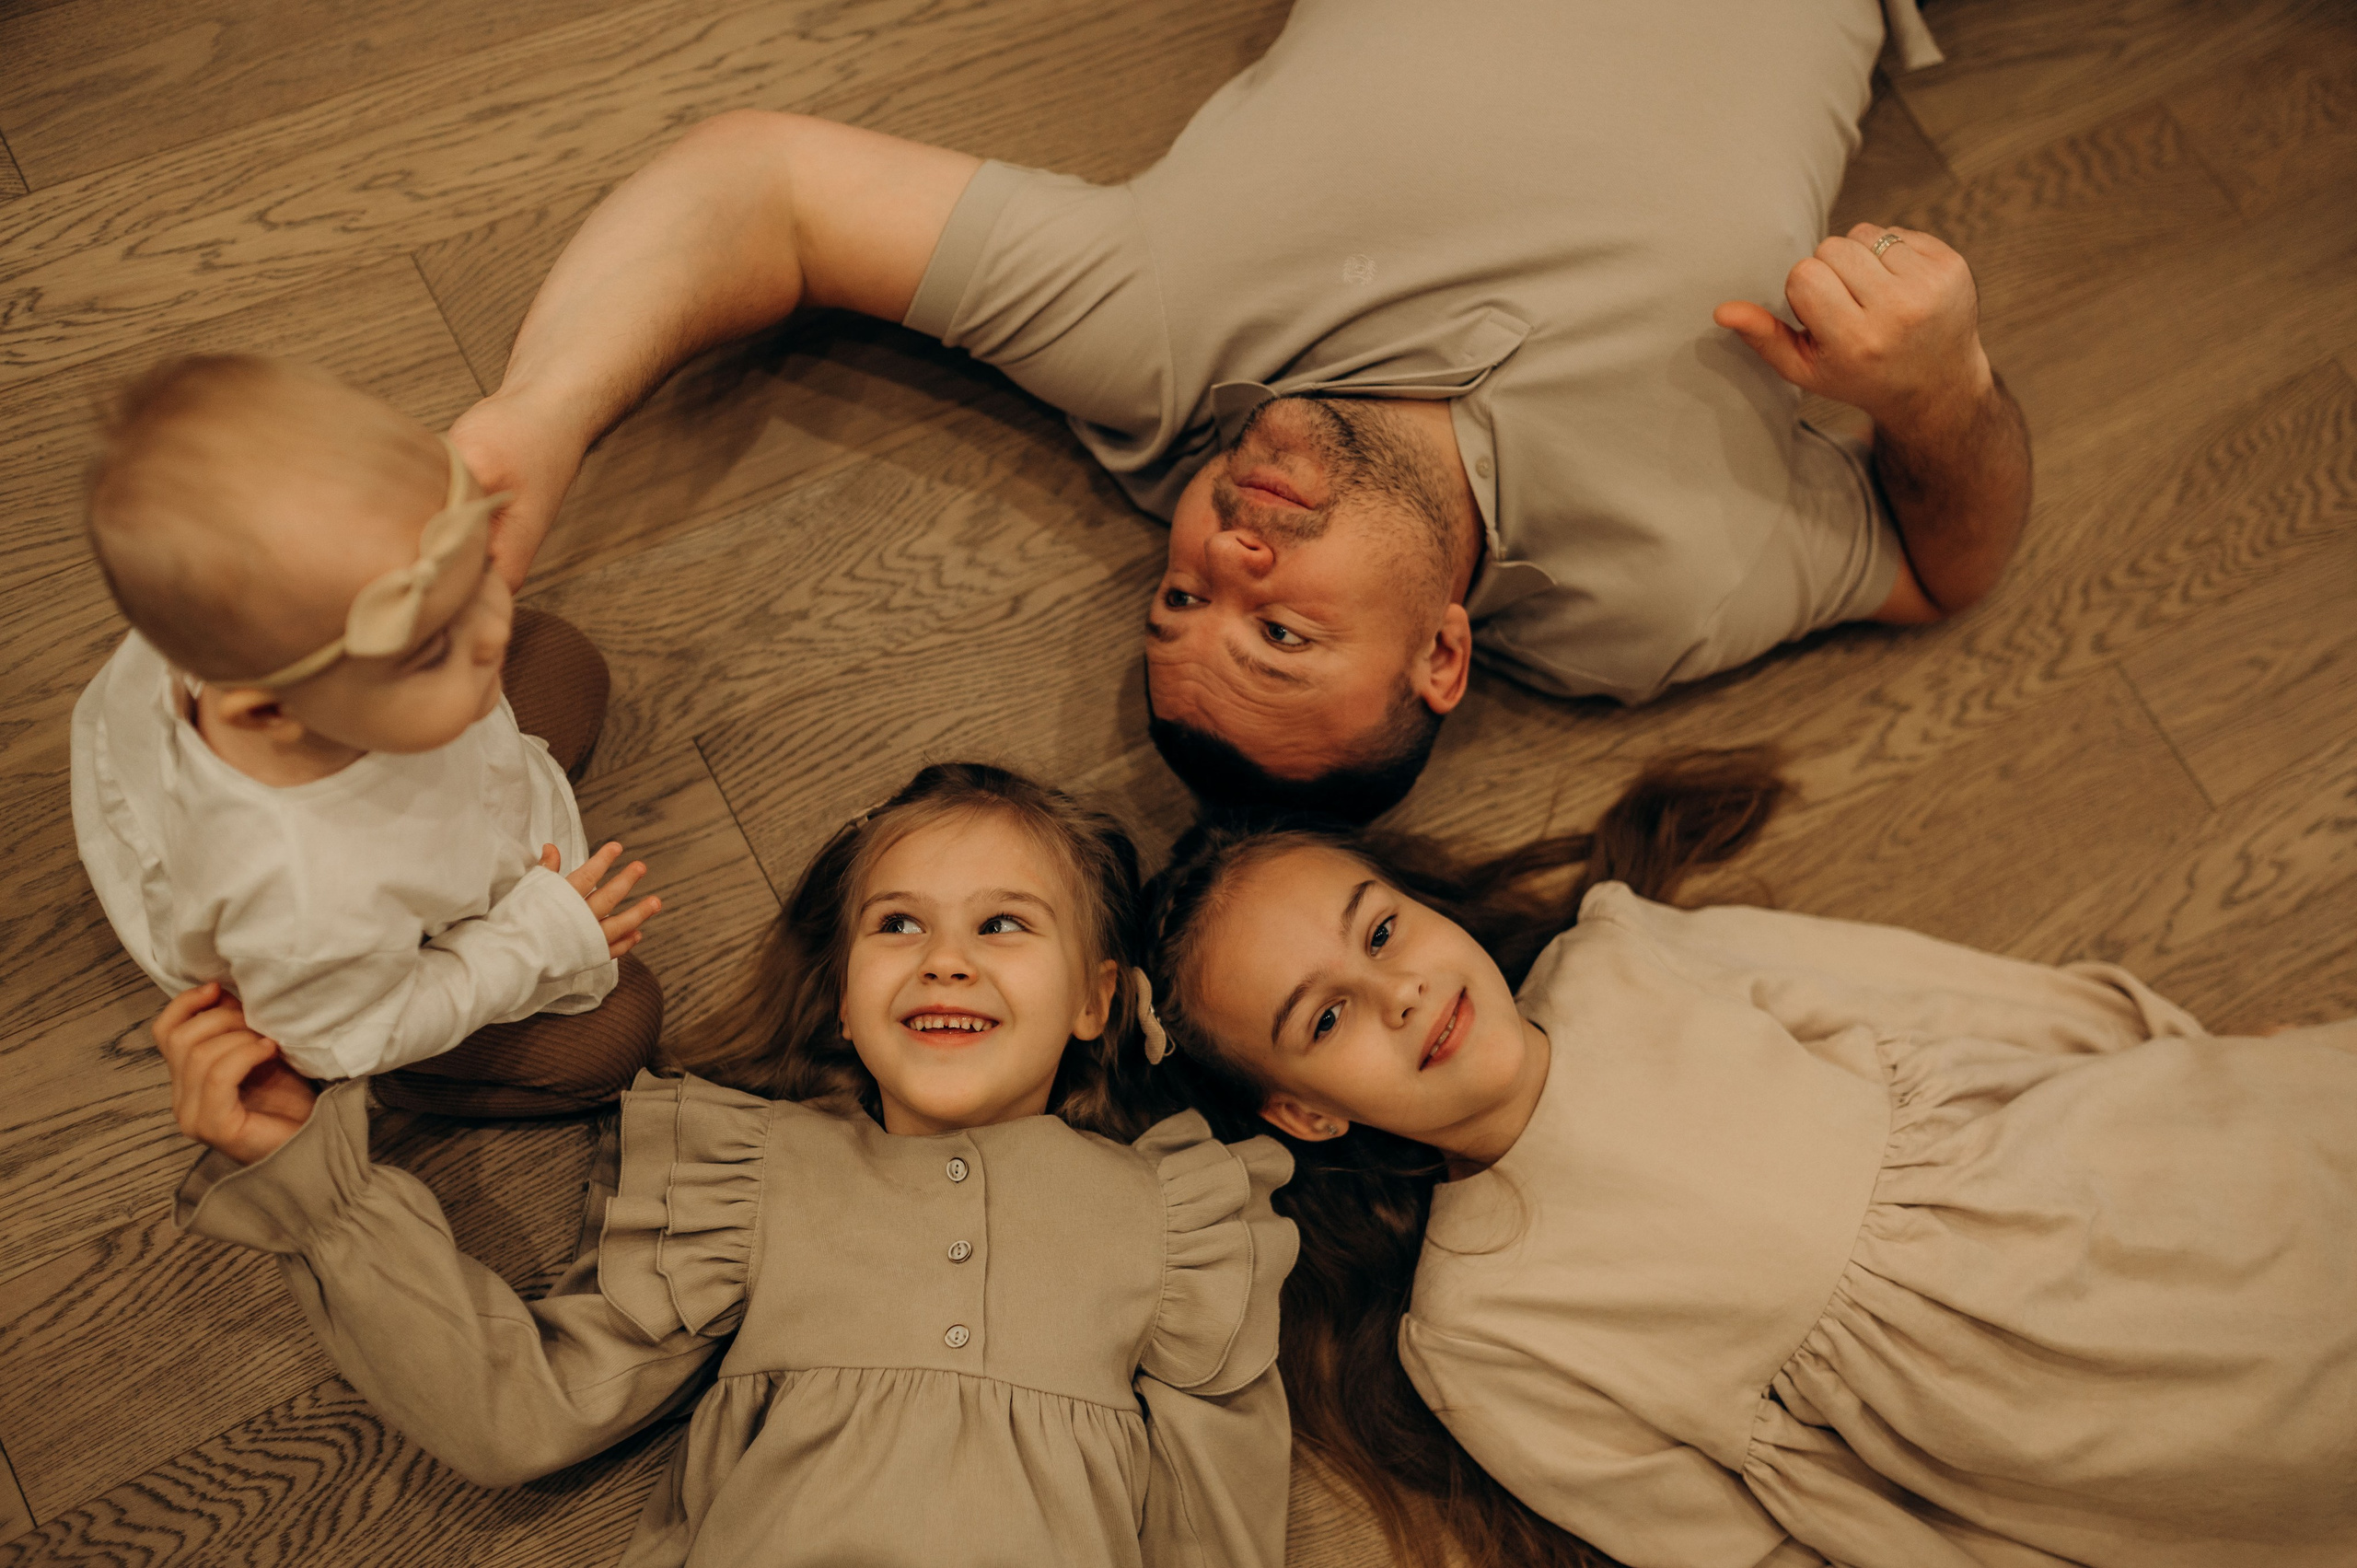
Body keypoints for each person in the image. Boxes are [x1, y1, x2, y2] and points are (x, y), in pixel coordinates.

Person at [445, 0, 2024, 821]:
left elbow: (766, 190)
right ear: (1446, 652)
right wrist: (1936, 389)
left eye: (1180, 596)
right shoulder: (1657, 601)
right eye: (1279, 633)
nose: (1226, 562)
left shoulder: (1161, 361)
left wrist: (547, 413)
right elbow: (1944, 566)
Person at [1134, 751, 2357, 1568]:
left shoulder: (1625, 955)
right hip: (2053, 1422)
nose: (1398, 989)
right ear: (1302, 1111)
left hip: (2117, 1159)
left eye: (1383, 925)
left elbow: (1949, 999)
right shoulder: (1478, 1334)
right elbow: (1732, 1545)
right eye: (1327, 1015)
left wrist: (2166, 1051)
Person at [158, 763, 1298, 1568]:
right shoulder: (753, 1179)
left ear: (1098, 997)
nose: (946, 960)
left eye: (1004, 925)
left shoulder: (1175, 1220)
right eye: (898, 925)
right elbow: (520, 1412)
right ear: (846, 1004)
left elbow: (1218, 1529)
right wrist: (320, 1192)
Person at [72, 354, 663, 1118]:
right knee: (618, 1035)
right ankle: (389, 1085)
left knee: (564, 661)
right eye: (432, 646)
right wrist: (532, 943)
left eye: (478, 564)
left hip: (438, 802)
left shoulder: (272, 627)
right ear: (267, 714)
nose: (493, 625)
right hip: (356, 995)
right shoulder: (304, 901)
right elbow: (347, 1026)